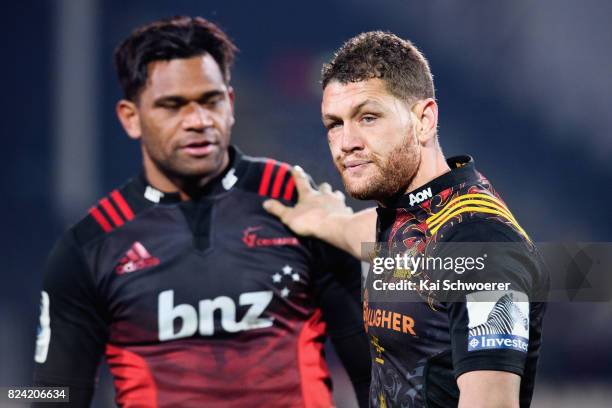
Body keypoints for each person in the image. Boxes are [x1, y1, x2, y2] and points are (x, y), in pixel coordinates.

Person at [33, 16, 371, 408]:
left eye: (209, 101)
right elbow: (51, 393)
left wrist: (353, 237)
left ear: (229, 104)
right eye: (173, 106)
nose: (197, 121)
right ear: (130, 117)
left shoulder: (297, 201)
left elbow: (373, 369)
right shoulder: (90, 245)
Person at [264, 31, 549, 407]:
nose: (347, 141)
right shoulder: (411, 215)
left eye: (368, 117)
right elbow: (381, 238)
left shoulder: (484, 247)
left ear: (425, 120)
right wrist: (325, 220)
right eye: (334, 124)